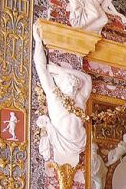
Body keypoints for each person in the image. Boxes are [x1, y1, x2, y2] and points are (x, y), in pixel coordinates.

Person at [33, 23, 91, 166]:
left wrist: (60, 71)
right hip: (63, 142)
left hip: (78, 142)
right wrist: (38, 42)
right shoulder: (54, 95)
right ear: (61, 86)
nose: (72, 88)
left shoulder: (80, 99)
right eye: (68, 84)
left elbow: (87, 79)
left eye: (74, 86)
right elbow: (41, 68)